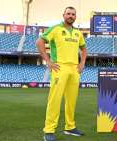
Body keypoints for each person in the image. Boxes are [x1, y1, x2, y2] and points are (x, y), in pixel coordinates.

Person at [36, 6, 87, 141]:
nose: (71, 16)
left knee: (71, 100)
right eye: (68, 14)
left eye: (73, 14)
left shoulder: (78, 33)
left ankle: (70, 127)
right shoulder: (55, 29)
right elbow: (39, 42)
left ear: (75, 17)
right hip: (60, 67)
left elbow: (84, 49)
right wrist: (48, 61)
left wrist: (82, 63)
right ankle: (48, 130)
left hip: (74, 69)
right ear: (63, 15)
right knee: (55, 100)